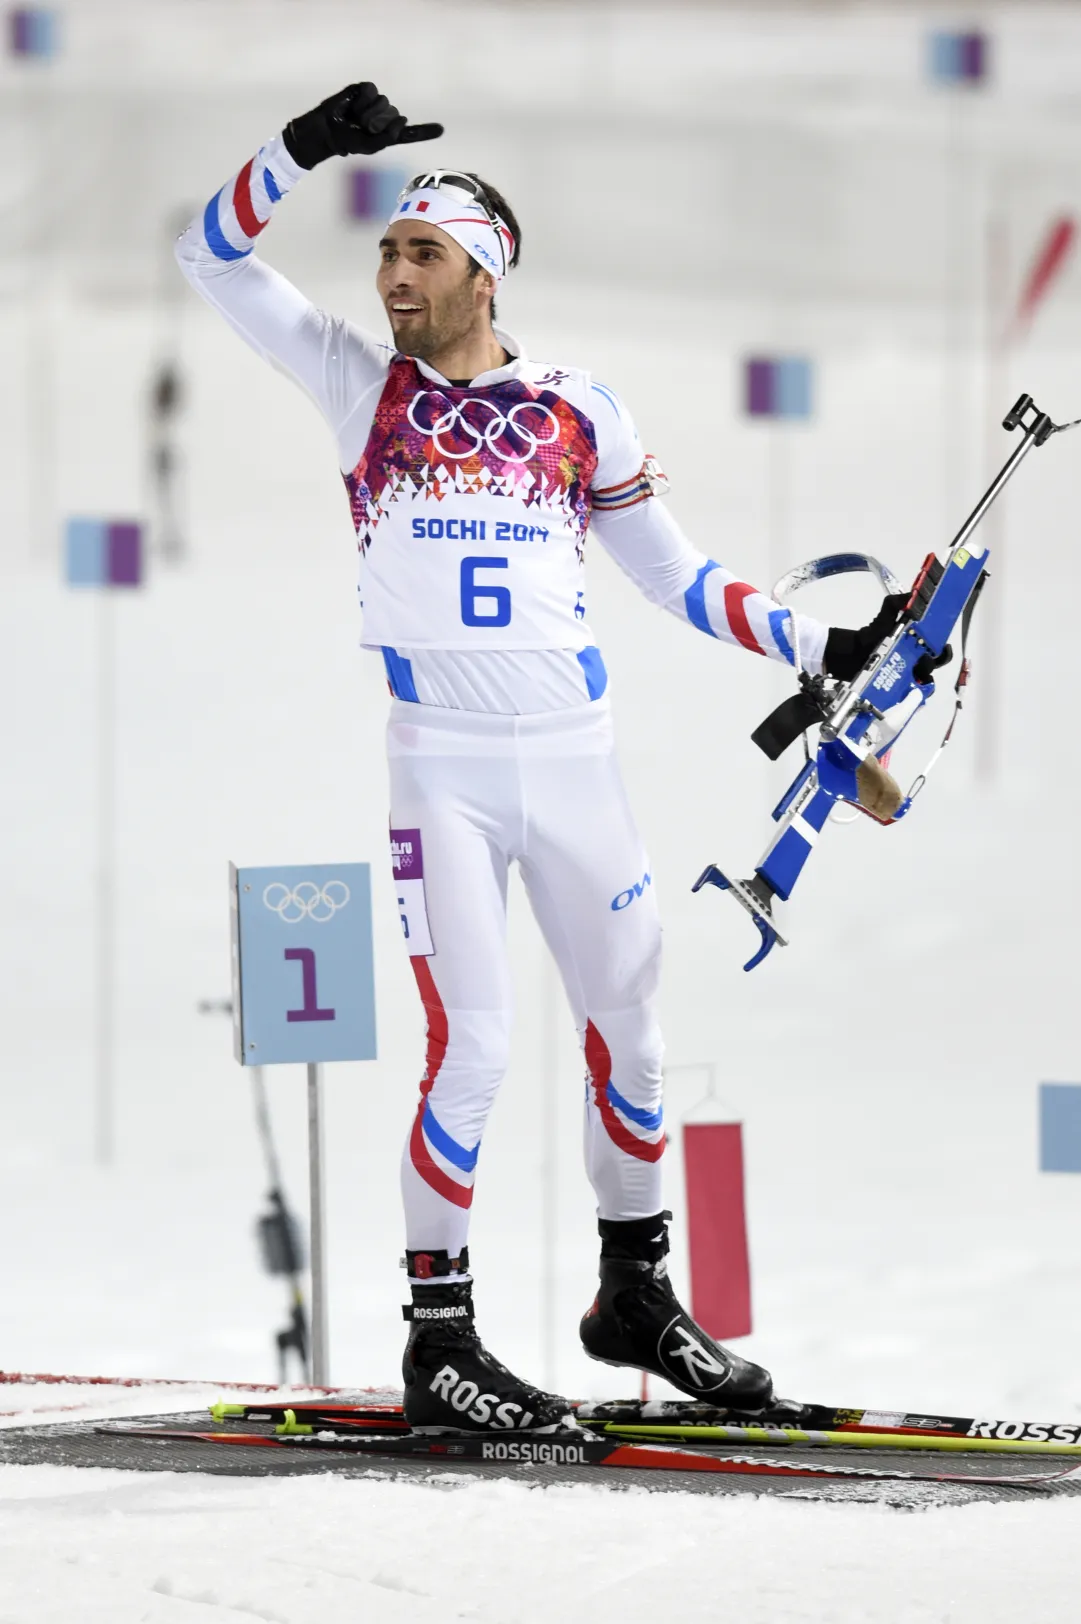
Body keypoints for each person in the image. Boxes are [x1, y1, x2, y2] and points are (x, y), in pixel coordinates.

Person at [177, 81, 896, 1433]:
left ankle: (636, 1294)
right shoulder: (356, 384)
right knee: (478, 1048)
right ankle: (438, 1339)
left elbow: (676, 578)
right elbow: (206, 255)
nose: (392, 274)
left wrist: (817, 639)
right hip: (438, 766)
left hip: (577, 761)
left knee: (633, 1027)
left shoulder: (580, 411)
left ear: (483, 274)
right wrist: (303, 149)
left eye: (421, 254)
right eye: (385, 250)